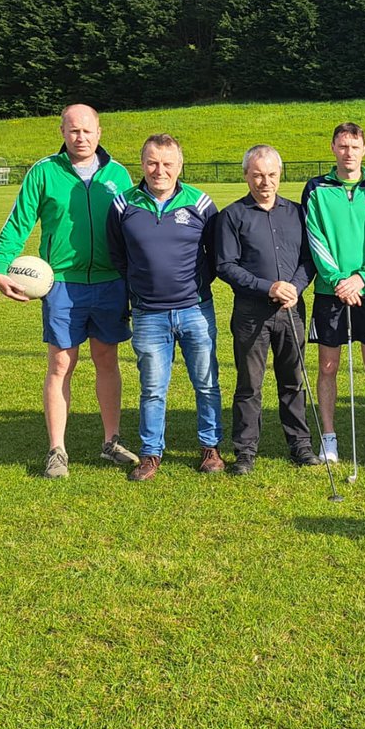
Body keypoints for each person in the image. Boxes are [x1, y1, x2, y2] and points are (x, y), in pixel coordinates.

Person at [0, 104, 137, 478]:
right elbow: (19, 222)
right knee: (60, 364)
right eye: (73, 131)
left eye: (87, 131)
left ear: (99, 132)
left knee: (107, 360)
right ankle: (57, 450)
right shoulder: (44, 172)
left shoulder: (118, 175)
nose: (81, 137)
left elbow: (132, 229)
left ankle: (111, 441)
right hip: (62, 285)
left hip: (109, 283)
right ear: (63, 132)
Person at [106, 134, 222, 482]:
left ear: (179, 166)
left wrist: (194, 288)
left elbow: (215, 256)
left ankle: (210, 447)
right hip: (148, 314)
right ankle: (150, 453)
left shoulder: (200, 203)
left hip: (195, 310)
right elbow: (117, 255)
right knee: (153, 388)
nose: (160, 170)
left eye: (167, 163)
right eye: (153, 162)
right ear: (142, 164)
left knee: (206, 383)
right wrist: (141, 289)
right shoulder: (123, 205)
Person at [215, 145, 319, 475]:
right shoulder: (232, 216)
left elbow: (308, 259)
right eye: (258, 174)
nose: (265, 182)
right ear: (246, 175)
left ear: (280, 175)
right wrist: (268, 287)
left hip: (291, 311)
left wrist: (295, 287)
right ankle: (245, 452)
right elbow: (225, 265)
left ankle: (300, 445)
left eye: (271, 174)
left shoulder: (297, 212)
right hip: (251, 314)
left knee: (293, 381)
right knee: (249, 385)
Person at [302, 123, 365, 465]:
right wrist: (340, 279)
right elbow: (315, 239)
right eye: (342, 146)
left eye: (354, 146)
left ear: (364, 149)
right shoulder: (316, 189)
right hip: (330, 292)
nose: (348, 152)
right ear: (333, 148)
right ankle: (329, 439)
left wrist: (361, 277)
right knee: (328, 365)